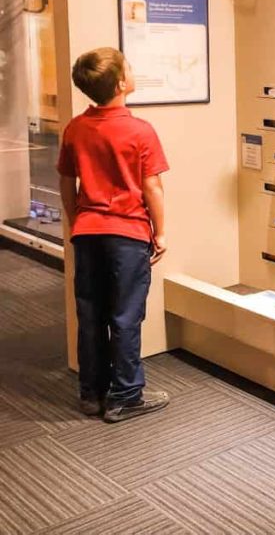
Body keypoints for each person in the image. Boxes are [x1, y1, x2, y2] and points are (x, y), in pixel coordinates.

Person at [57, 47, 170, 423]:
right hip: (127, 235)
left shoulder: (76, 127)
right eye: (131, 67)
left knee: (90, 313)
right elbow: (151, 187)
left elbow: (66, 180)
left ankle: (91, 393)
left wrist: (77, 221)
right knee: (125, 316)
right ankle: (125, 395)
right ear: (121, 83)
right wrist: (162, 232)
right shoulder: (140, 131)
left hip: (87, 234)